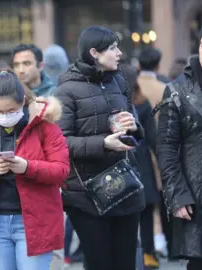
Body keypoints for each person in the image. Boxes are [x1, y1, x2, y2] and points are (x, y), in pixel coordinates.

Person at [55, 26, 146, 270]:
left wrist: (132, 126)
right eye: (113, 48)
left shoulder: (119, 80)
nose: (119, 53)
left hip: (124, 186)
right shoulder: (66, 90)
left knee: (126, 263)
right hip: (86, 195)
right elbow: (60, 142)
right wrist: (103, 143)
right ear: (94, 52)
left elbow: (132, 125)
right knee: (99, 263)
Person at [0, 70, 70, 270]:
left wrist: (28, 167)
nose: (5, 116)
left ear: (23, 103)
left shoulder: (44, 126)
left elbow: (62, 170)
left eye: (11, 110)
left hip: (35, 222)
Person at [156, 20, 202, 270]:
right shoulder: (178, 92)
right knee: (200, 264)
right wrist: (177, 196)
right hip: (197, 196)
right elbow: (166, 147)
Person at [124, 64, 161, 269]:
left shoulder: (116, 103)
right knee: (146, 212)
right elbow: (152, 137)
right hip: (143, 162)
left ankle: (132, 254)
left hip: (122, 161)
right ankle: (149, 254)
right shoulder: (143, 103)